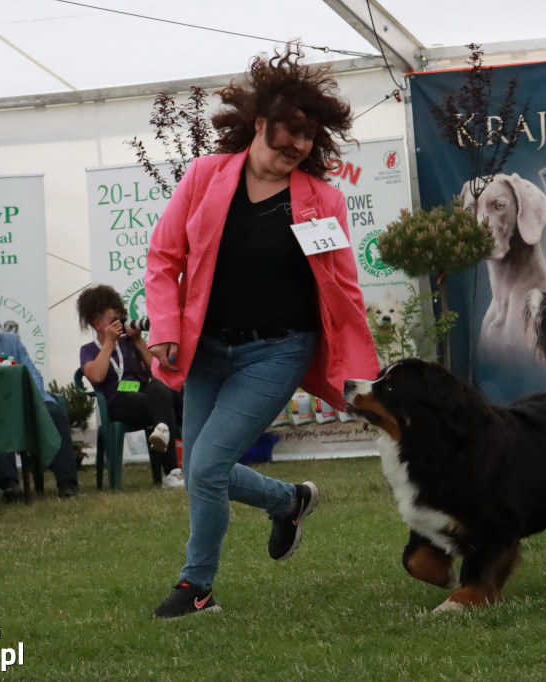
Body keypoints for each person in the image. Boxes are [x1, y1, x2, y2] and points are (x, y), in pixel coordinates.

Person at [144, 44, 380, 619]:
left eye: (306, 138)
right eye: (285, 135)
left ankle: (195, 587)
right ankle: (289, 501)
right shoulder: (204, 176)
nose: (294, 148)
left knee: (203, 467)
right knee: (201, 465)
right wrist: (165, 327)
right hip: (206, 349)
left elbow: (342, 288)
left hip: (277, 349)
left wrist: (359, 369)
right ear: (260, 123)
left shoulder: (322, 200)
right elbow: (162, 256)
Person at [0, 293, 79, 498]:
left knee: (53, 411)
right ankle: (9, 485)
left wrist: (31, 399)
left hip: (25, 402)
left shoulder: (11, 341)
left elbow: (33, 374)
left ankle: (67, 484)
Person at [75, 284, 184, 488]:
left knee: (173, 390)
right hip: (118, 402)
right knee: (163, 400)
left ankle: (164, 431)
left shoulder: (129, 342)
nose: (119, 324)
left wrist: (139, 341)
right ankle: (172, 472)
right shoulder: (88, 350)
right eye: (113, 321)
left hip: (148, 396)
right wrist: (109, 341)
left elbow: (156, 369)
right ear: (98, 324)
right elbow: (96, 376)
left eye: (120, 319)